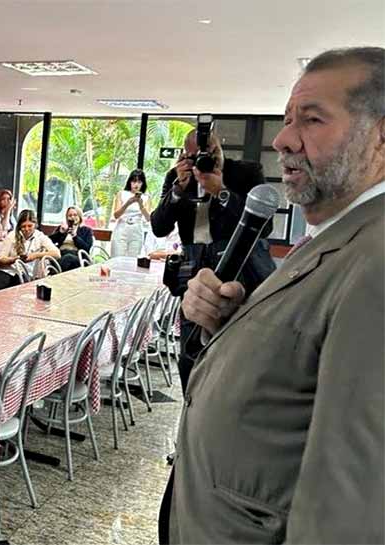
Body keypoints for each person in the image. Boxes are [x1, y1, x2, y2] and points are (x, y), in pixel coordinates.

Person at [160, 47, 384, 545]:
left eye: (312, 119)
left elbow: (351, 507)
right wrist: (235, 324)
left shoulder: (376, 260)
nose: (283, 139)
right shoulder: (334, 236)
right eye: (286, 119)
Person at [151, 127, 275, 390]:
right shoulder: (177, 177)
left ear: (221, 147)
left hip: (238, 266)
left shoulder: (246, 172)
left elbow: (265, 227)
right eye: (197, 155)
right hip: (194, 268)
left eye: (213, 152)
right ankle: (192, 405)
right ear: (186, 156)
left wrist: (221, 191)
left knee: (236, 348)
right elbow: (159, 226)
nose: (207, 160)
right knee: (191, 349)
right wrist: (177, 190)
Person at [0, 210, 60, 291]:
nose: (26, 229)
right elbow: (0, 259)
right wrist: (14, 259)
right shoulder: (12, 236)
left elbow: (57, 254)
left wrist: (35, 255)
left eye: (30, 226)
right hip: (8, 270)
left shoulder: (40, 237)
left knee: (18, 288)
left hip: (26, 275)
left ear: (35, 225)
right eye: (23, 226)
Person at [110, 169, 151, 257]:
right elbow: (116, 215)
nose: (136, 184)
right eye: (134, 181)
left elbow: (148, 218)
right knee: (118, 257)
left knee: (133, 259)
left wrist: (140, 204)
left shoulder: (146, 197)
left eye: (139, 182)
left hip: (137, 229)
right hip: (122, 228)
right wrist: (128, 203)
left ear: (143, 183)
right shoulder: (121, 194)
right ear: (129, 182)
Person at [49, 206, 94, 271]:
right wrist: (60, 233)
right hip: (61, 254)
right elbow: (49, 241)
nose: (72, 217)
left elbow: (87, 248)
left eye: (75, 215)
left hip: (77, 255)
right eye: (70, 215)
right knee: (53, 258)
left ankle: (53, 274)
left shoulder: (86, 230)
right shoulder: (63, 228)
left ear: (79, 216)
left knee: (68, 257)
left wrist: (75, 236)